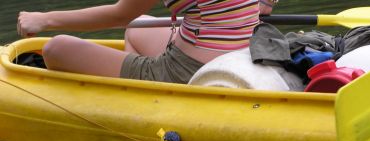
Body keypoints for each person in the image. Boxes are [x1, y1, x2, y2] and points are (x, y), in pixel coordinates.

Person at [17, 0, 278, 83]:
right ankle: (136, 91)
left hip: (188, 69)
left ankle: (144, 100)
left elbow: (119, 14)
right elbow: (266, 5)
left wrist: (44, 19)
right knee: (137, 26)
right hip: (244, 52)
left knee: (55, 48)